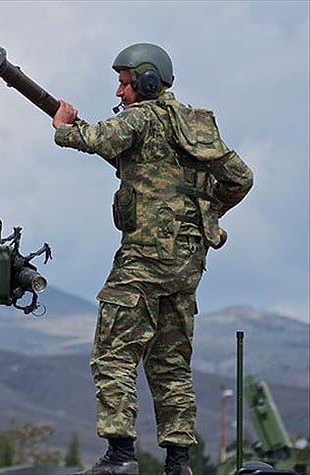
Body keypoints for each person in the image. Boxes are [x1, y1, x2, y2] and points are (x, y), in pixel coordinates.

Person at [51, 43, 254, 475]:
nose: (120, 91)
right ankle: (178, 463)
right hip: (186, 266)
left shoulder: (141, 117)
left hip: (144, 260)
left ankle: (121, 454)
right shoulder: (193, 126)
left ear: (147, 81)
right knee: (171, 364)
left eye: (125, 82)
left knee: (114, 353)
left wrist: (65, 126)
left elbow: (97, 138)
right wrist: (207, 213)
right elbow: (240, 177)